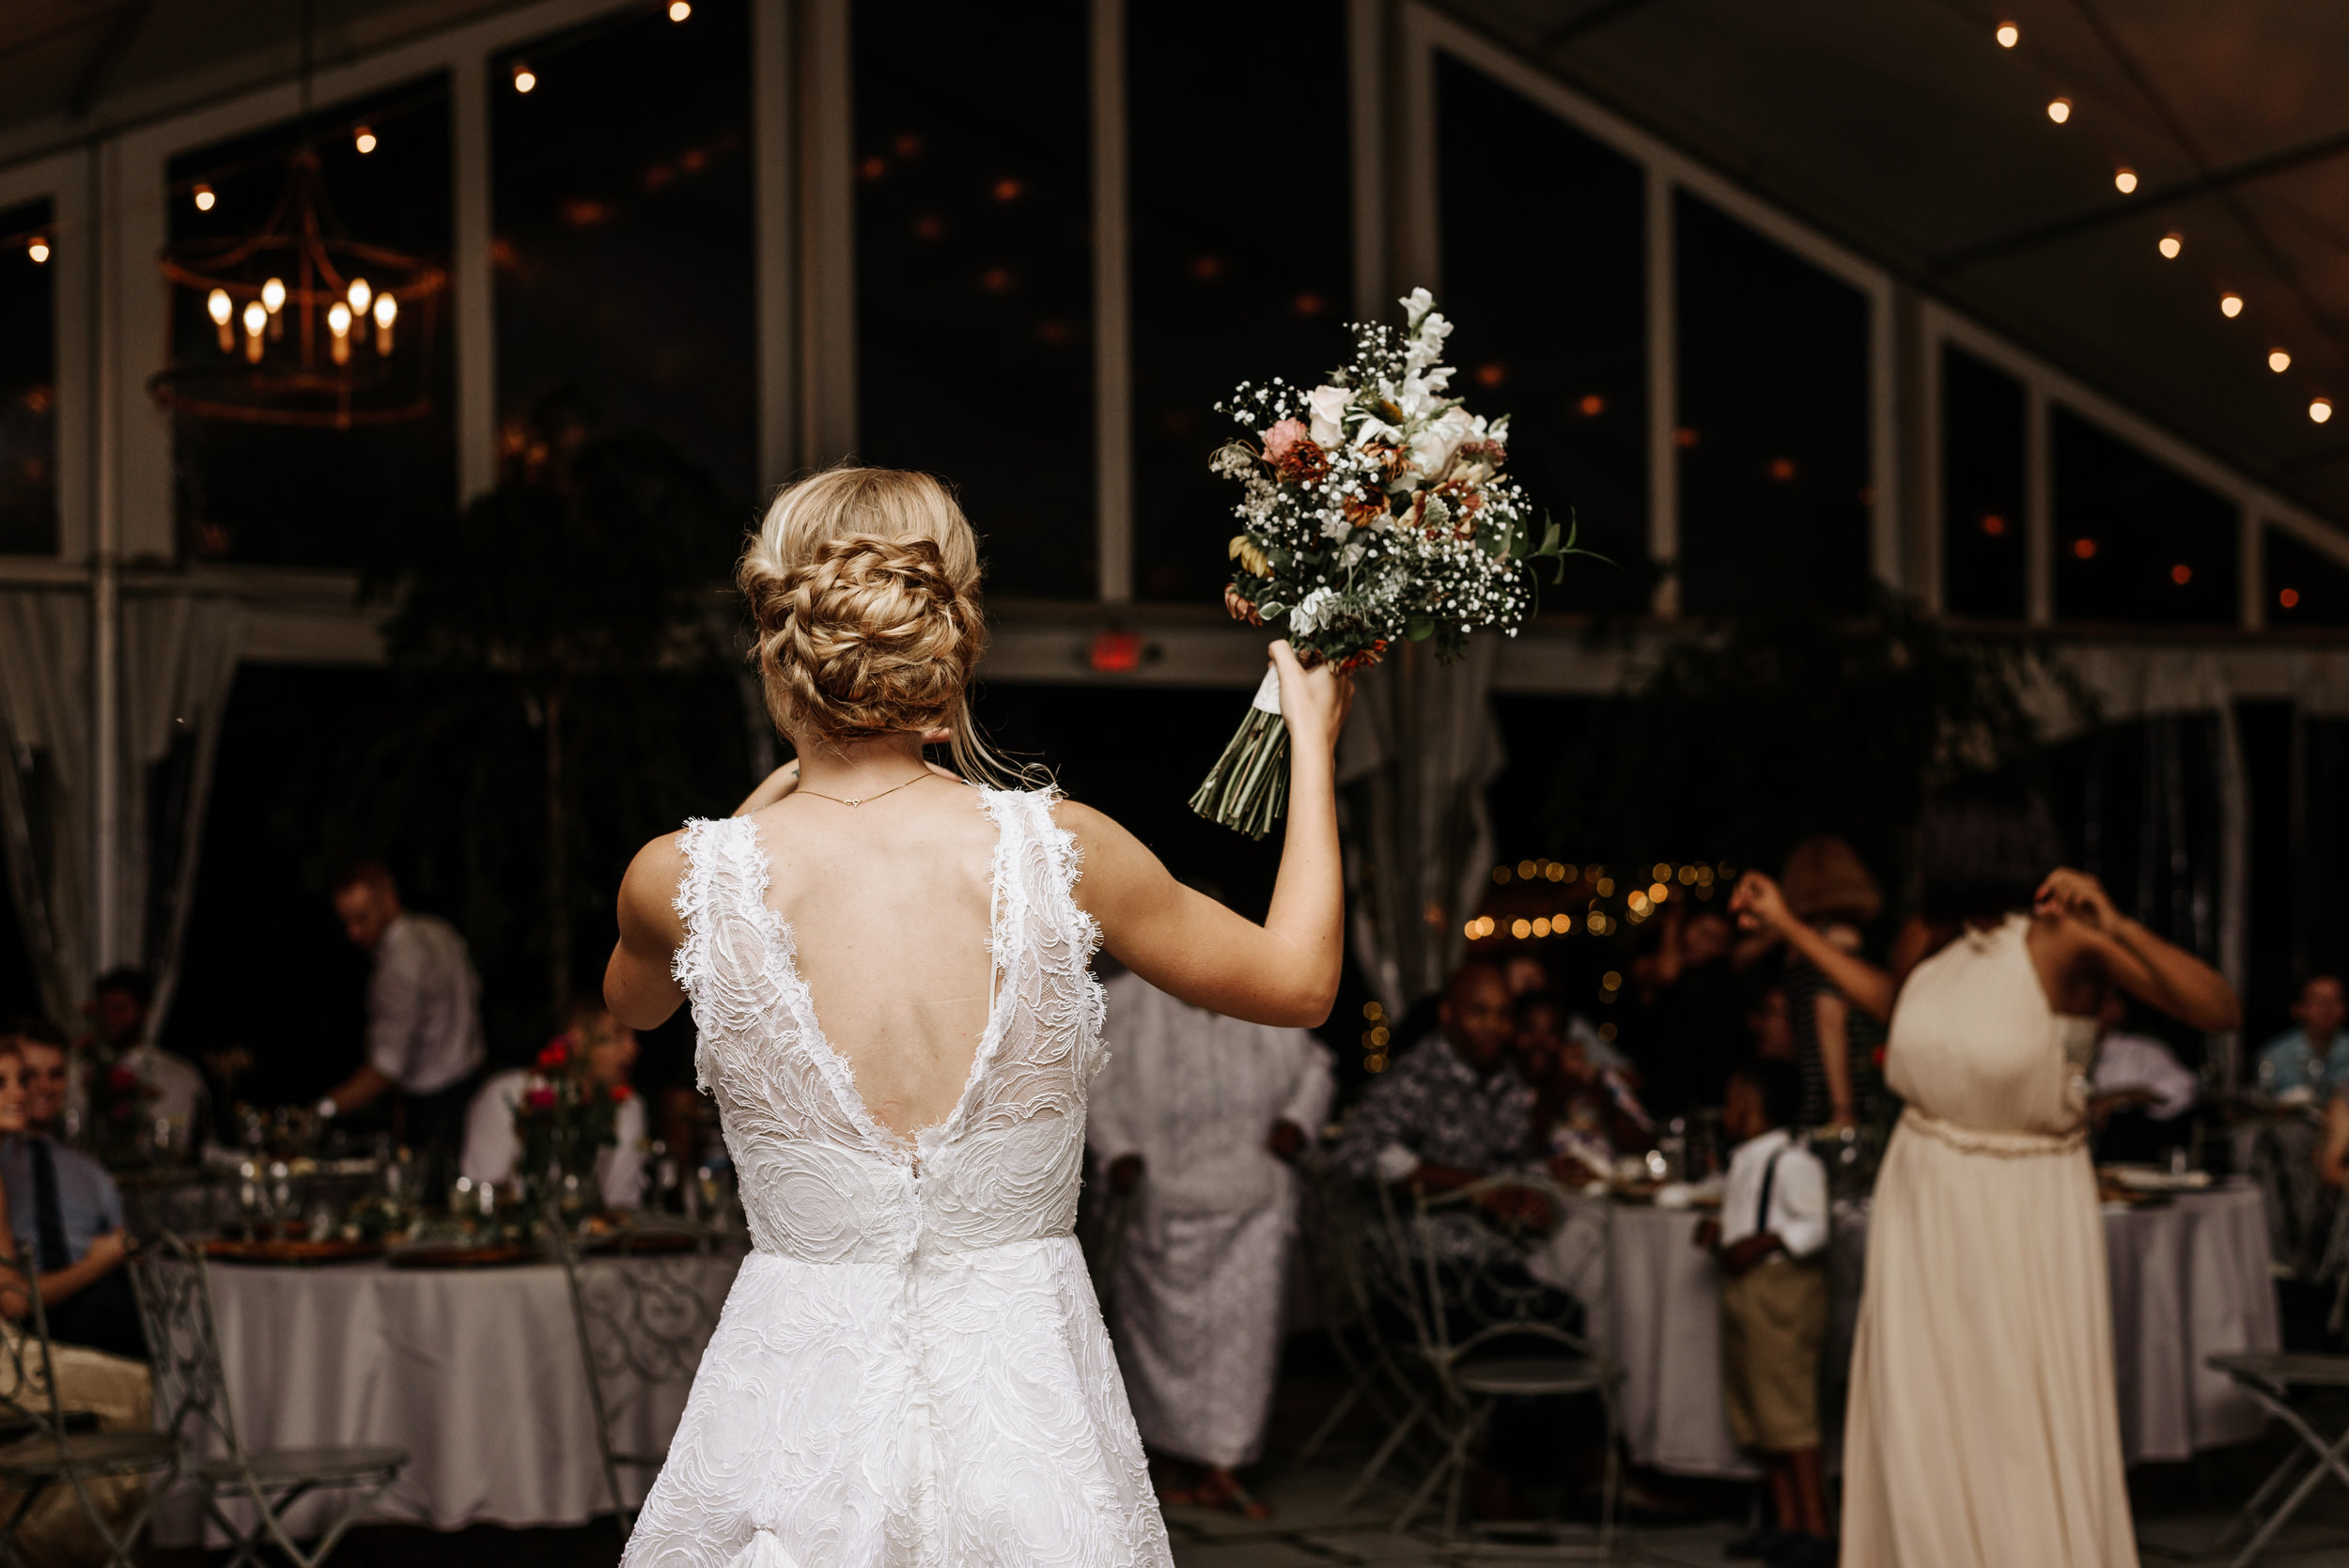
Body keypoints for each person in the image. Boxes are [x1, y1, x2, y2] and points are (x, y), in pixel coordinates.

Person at [600, 465, 1350, 1567]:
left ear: (777, 643)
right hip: (1032, 1416)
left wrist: (757, 806)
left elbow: (636, 1005)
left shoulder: (679, 879)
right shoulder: (1067, 852)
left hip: (786, 1422)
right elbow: (1299, 982)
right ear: (948, 638)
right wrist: (1316, 745)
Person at [1734, 773, 2238, 1568]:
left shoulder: (2061, 940)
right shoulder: (1929, 938)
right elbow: (1893, 1009)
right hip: (1922, 1197)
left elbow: (2218, 1008)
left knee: (2012, 1417)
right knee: (1922, 1413)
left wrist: (2120, 925)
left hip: (2022, 1205)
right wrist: (1790, 925)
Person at [1086, 967, 1335, 1518]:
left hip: (1253, 1201)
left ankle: (1226, 1466)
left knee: (1242, 1342)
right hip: (1162, 1202)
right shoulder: (1126, 1001)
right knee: (1159, 1342)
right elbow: (1090, 1077)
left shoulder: (1253, 988)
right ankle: (1175, 1458)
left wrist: (1297, 1120)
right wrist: (1118, 1149)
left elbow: (1316, 1067)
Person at [0, 1032, 155, 1560]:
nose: (22, 1092)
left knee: (123, 1350)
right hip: (12, 1346)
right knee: (131, 1387)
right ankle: (52, 1548)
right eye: (8, 1082)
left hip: (28, 1334)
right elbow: (15, 1302)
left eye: (23, 1080)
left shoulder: (83, 1171)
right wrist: (95, 1264)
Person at [1695, 1058, 1831, 1568]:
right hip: (1745, 1293)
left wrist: (1760, 1243)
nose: (1726, 1111)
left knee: (1789, 1411)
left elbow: (1815, 1227)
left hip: (1780, 1293)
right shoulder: (1746, 1160)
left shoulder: (1794, 1163)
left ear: (1751, 1105)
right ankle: (1787, 1520)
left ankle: (1815, 1527)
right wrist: (1722, 1235)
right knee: (1761, 1410)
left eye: (1732, 1099)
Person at [319, 862, 487, 1188]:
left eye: (361, 919)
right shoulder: (439, 930)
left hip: (433, 1110)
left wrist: (323, 1109)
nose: (352, 933)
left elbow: (387, 1068)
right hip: (471, 1090)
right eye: (347, 922)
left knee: (431, 1200)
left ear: (389, 901)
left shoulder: (397, 968)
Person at [1331, 959, 1539, 1220]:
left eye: (1503, 1014)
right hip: (1424, 1252)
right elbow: (1357, 1153)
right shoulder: (1417, 1075)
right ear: (1447, 1013)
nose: (1493, 1026)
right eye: (1479, 1012)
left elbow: (1517, 1157)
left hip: (1502, 1249)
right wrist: (1469, 1186)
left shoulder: (1506, 1077)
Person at [0, 1022, 142, 1359]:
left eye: (56, 1074)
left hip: (88, 1302)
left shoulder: (91, 1171)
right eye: (28, 1076)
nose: (35, 1089)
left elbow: (121, 1248)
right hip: (31, 1327)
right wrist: (95, 1264)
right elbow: (13, 1301)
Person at [461, 1001, 649, 1210]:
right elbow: (483, 1195)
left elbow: (622, 1205)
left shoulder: (629, 1106)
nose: (633, 1048)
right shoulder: (506, 1095)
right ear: (577, 1039)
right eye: (617, 1036)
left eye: (635, 1036)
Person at [1776, 836, 1882, 1130]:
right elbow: (1830, 1018)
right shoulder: (1839, 937)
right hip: (1843, 1091)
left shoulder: (1796, 949)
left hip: (1810, 1089)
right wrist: (1844, 1109)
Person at [73, 967, 209, 1156]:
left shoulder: (178, 1075)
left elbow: (186, 1143)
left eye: (120, 1009)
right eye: (104, 1009)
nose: (110, 1018)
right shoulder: (77, 1069)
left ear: (145, 1012)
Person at [2088, 992, 2201, 1166]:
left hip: (2127, 1165)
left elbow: (2183, 1090)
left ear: (2117, 1008)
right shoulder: (2058, 1053)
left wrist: (2122, 1097)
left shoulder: (2140, 1052)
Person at [2252, 973, 2347, 1101]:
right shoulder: (2275, 1056)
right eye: (2317, 1000)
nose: (2326, 1008)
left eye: (2334, 1000)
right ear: (2297, 1008)